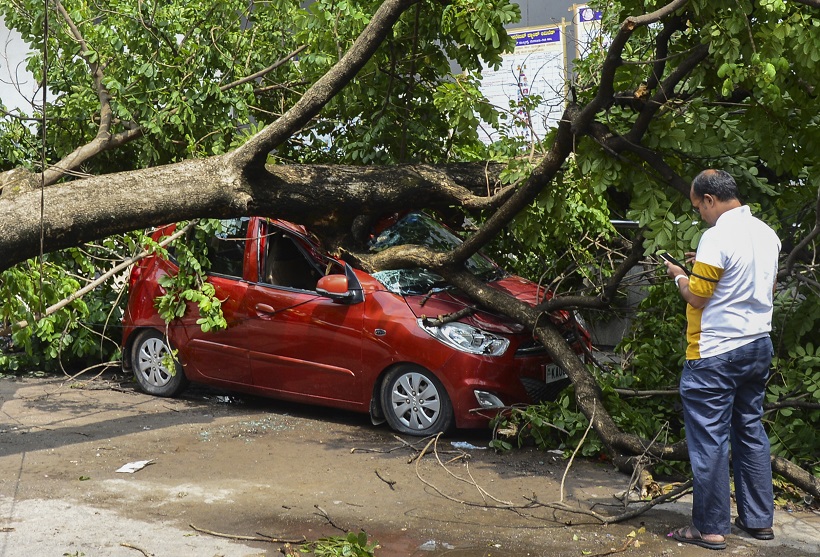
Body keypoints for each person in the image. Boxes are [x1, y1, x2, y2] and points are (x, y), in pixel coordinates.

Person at [665, 169, 780, 550]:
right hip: (758, 346)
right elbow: (763, 285)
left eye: (699, 207)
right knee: (750, 430)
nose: (700, 214)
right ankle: (759, 521)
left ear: (710, 200)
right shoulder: (767, 235)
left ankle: (710, 528)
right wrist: (706, 264)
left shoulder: (716, 237)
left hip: (715, 352)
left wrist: (680, 275)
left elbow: (697, 297)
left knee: (709, 439)